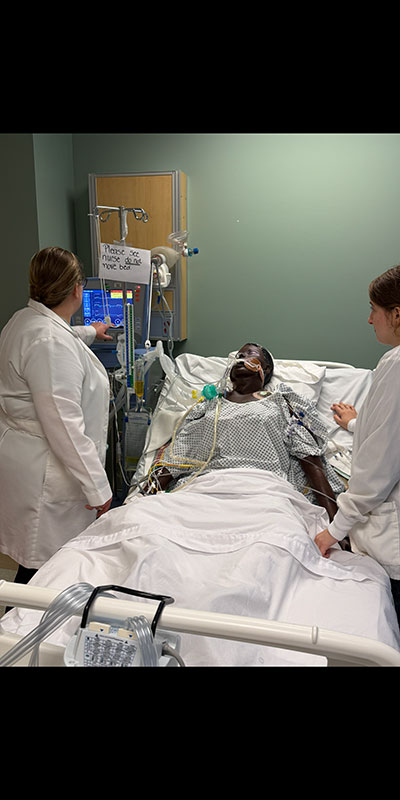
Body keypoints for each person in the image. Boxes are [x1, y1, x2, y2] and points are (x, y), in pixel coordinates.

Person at [0, 246, 113, 586]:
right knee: (46, 571)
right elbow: (63, 424)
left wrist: (91, 331)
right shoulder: (49, 341)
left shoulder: (26, 320)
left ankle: (22, 623)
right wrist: (99, 488)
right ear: (77, 289)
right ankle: (24, 632)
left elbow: (57, 337)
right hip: (47, 472)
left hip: (27, 459)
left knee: (38, 565)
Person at [146, 342, 342, 522]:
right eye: (239, 354)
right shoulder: (210, 406)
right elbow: (179, 454)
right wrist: (145, 496)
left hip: (266, 493)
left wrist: (336, 525)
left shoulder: (281, 402)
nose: (241, 357)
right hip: (208, 490)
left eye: (250, 354)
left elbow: (310, 460)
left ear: (265, 369)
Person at [314, 264, 400, 623]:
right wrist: (355, 423)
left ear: (396, 314)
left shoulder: (396, 365)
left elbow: (376, 470)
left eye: (373, 310)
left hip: (391, 546)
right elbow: (389, 430)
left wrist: (333, 532)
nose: (369, 320)